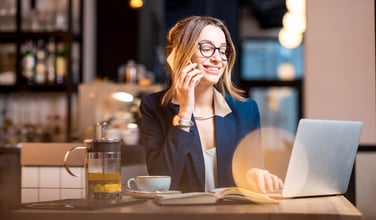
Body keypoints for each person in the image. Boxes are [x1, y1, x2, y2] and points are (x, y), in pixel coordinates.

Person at [139, 15, 283, 193]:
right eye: (207, 49)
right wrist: (185, 112)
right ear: (179, 55)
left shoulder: (246, 109)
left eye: (223, 51)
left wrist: (255, 175)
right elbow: (162, 183)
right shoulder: (153, 107)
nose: (218, 59)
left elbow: (251, 172)